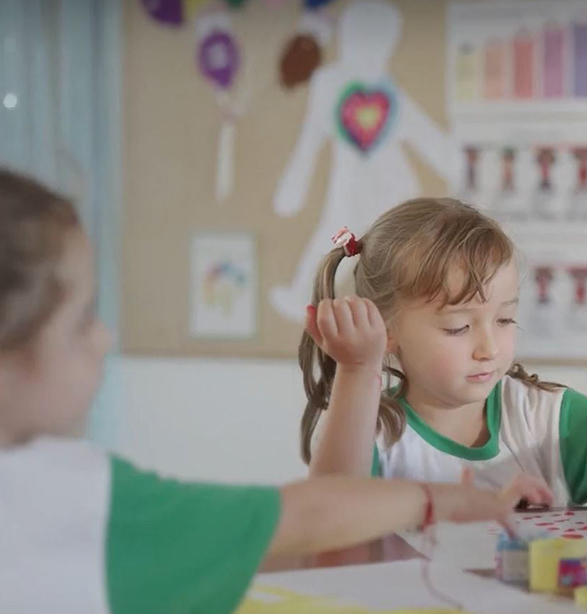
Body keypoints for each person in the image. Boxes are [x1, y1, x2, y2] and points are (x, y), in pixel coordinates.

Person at [0, 168, 533, 613]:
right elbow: (306, 521)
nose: (104, 337)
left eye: (505, 319)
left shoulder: (541, 408)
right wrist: (448, 500)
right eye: (81, 320)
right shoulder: (73, 495)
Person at [303, 197, 587, 506]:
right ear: (388, 332)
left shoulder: (543, 418)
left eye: (505, 319)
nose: (489, 346)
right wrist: (358, 370)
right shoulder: (370, 429)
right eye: (459, 326)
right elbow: (326, 508)